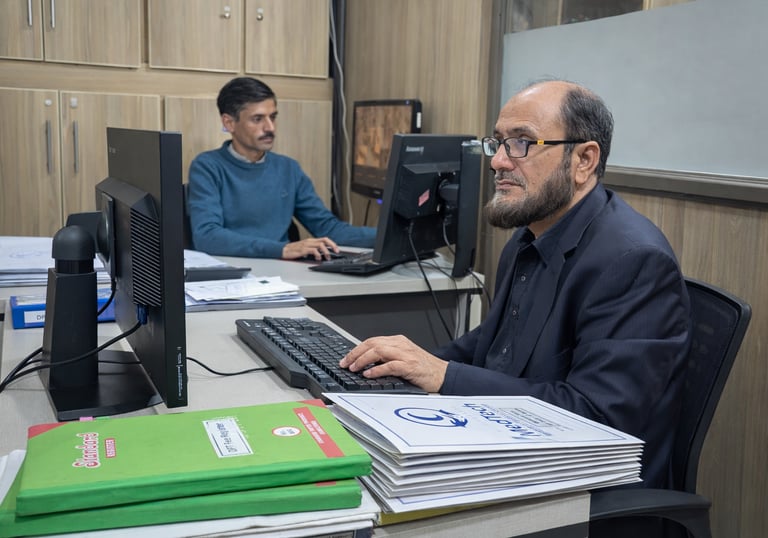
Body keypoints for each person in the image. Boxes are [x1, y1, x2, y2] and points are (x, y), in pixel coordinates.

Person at [340, 79, 691, 492]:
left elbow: (597, 417)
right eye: (498, 142)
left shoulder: (633, 261)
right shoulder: (530, 236)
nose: (498, 162)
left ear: (584, 160)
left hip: (582, 493)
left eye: (522, 143)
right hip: (515, 451)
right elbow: (491, 345)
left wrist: (444, 376)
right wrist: (399, 370)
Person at [187, 77, 376, 260]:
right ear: (229, 123)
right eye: (257, 119)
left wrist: (389, 234)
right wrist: (282, 249)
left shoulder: (288, 169)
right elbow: (207, 237)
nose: (270, 127)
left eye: (273, 117)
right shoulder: (207, 166)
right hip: (232, 272)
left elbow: (329, 229)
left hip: (282, 271)